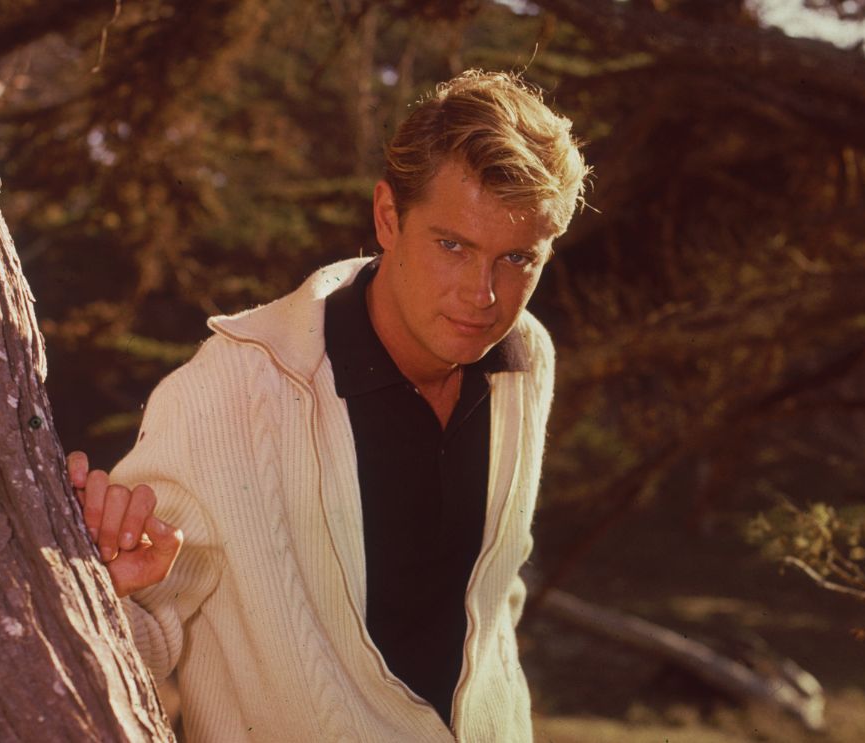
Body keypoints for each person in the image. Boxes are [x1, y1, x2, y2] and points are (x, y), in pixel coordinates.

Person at [67, 69, 589, 742]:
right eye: (452, 245)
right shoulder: (232, 389)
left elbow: (489, 592)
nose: (482, 294)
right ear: (387, 217)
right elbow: (139, 629)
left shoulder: (526, 357)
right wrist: (103, 592)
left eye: (518, 258)